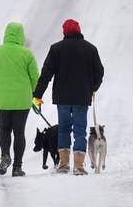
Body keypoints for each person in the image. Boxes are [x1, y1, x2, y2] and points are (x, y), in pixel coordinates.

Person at [32, 19, 104, 175]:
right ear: (79, 31)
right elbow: (99, 72)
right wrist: (93, 88)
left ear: (65, 32)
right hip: (81, 97)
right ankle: (78, 165)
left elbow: (46, 74)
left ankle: (64, 164)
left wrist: (37, 95)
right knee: (80, 130)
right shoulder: (90, 49)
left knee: (63, 129)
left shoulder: (56, 49)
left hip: (62, 97)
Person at [0, 22, 39, 177]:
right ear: (21, 35)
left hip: (2, 98)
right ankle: (17, 167)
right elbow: (35, 77)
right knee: (19, 132)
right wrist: (36, 95)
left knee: (4, 129)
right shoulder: (27, 54)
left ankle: (5, 155)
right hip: (22, 99)